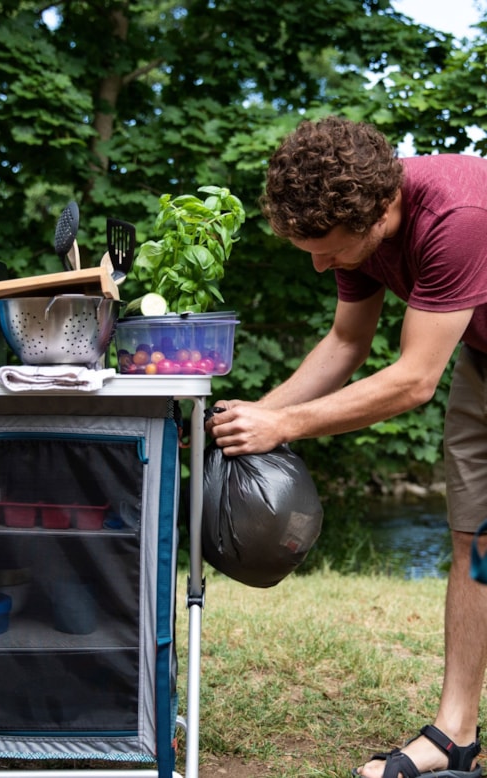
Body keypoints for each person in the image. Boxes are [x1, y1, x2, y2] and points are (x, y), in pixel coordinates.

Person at [205, 115, 487, 778]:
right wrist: (254, 418)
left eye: (328, 250)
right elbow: (345, 343)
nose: (319, 263)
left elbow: (414, 379)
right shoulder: (355, 225)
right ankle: (455, 737)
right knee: (476, 538)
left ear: (383, 211)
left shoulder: (459, 216)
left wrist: (285, 427)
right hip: (483, 358)